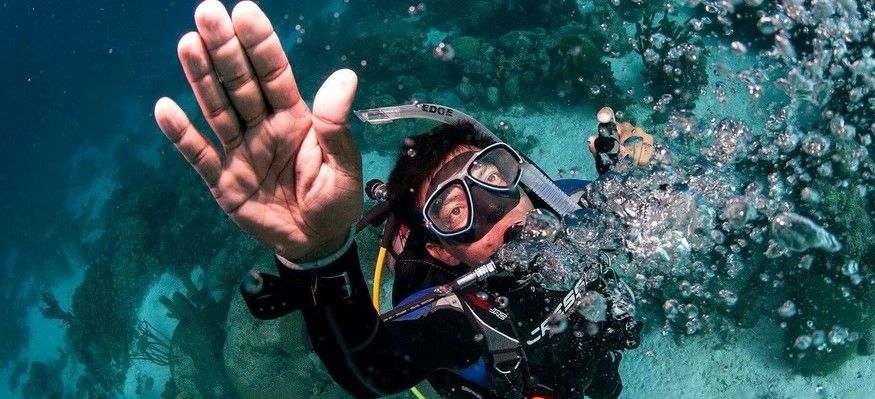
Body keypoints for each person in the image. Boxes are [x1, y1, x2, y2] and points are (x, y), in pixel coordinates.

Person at [154, 1, 642, 398]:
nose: (499, 211)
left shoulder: (572, 209)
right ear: (439, 249)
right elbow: (375, 368)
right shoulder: (461, 317)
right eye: (456, 212)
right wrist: (319, 253)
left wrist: (639, 169)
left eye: (493, 177)